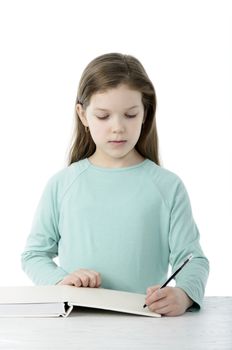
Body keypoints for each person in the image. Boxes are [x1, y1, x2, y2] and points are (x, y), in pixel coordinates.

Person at [21, 52, 209, 316]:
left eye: (130, 115)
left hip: (145, 325)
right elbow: (34, 255)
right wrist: (61, 281)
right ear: (83, 115)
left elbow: (193, 259)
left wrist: (184, 294)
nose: (118, 127)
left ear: (146, 114)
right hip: (77, 325)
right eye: (103, 116)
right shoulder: (62, 184)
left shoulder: (167, 186)